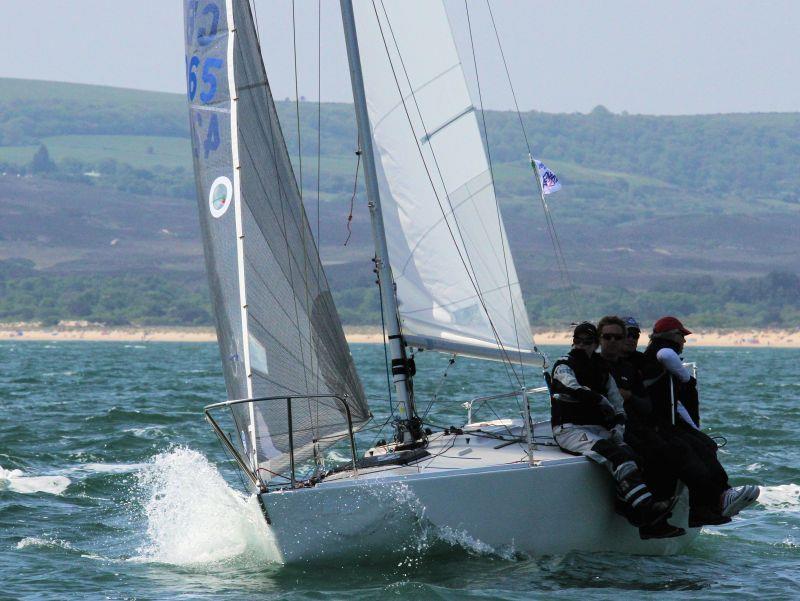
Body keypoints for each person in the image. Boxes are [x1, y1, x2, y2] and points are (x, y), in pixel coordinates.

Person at [549, 322, 682, 539]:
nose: (582, 346)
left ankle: (629, 508)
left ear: (595, 344)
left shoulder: (602, 370)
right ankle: (645, 509)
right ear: (573, 342)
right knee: (617, 456)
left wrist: (618, 425)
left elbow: (617, 403)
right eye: (578, 341)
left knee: (634, 455)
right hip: (570, 430)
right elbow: (570, 386)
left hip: (597, 429)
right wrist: (599, 399)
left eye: (588, 342)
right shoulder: (564, 364)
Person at [640, 316, 760, 524]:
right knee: (691, 452)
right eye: (681, 336)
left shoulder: (655, 355)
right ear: (671, 336)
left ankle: (719, 497)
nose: (684, 341)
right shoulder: (662, 350)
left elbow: (675, 404)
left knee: (705, 443)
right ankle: (717, 499)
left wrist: (694, 428)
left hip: (668, 420)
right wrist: (685, 377)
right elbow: (666, 355)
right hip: (657, 424)